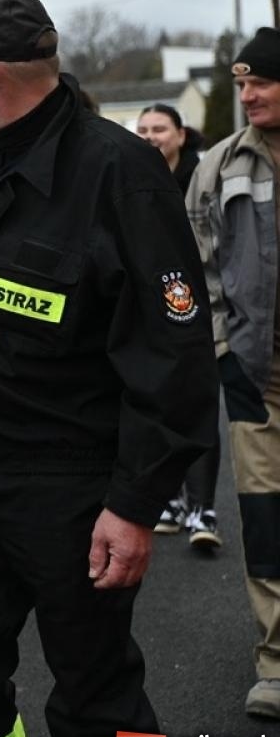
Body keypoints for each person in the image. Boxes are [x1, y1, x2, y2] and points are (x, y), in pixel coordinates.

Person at [0, 0, 218, 737]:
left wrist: (136, 501)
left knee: (98, 695)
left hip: (75, 485)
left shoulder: (122, 172)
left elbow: (174, 347)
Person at [186, 27, 280, 720]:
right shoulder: (218, 166)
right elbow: (199, 275)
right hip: (260, 377)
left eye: (260, 83)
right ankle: (275, 663)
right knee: (266, 519)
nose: (246, 96)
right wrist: (222, 349)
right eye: (240, 84)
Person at [137, 102, 220, 549]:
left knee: (197, 402)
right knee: (154, 404)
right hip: (147, 307)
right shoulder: (130, 177)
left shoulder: (203, 178)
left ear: (181, 135)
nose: (151, 136)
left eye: (160, 129)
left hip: (200, 304)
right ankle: (166, 499)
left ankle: (202, 508)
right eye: (143, 129)